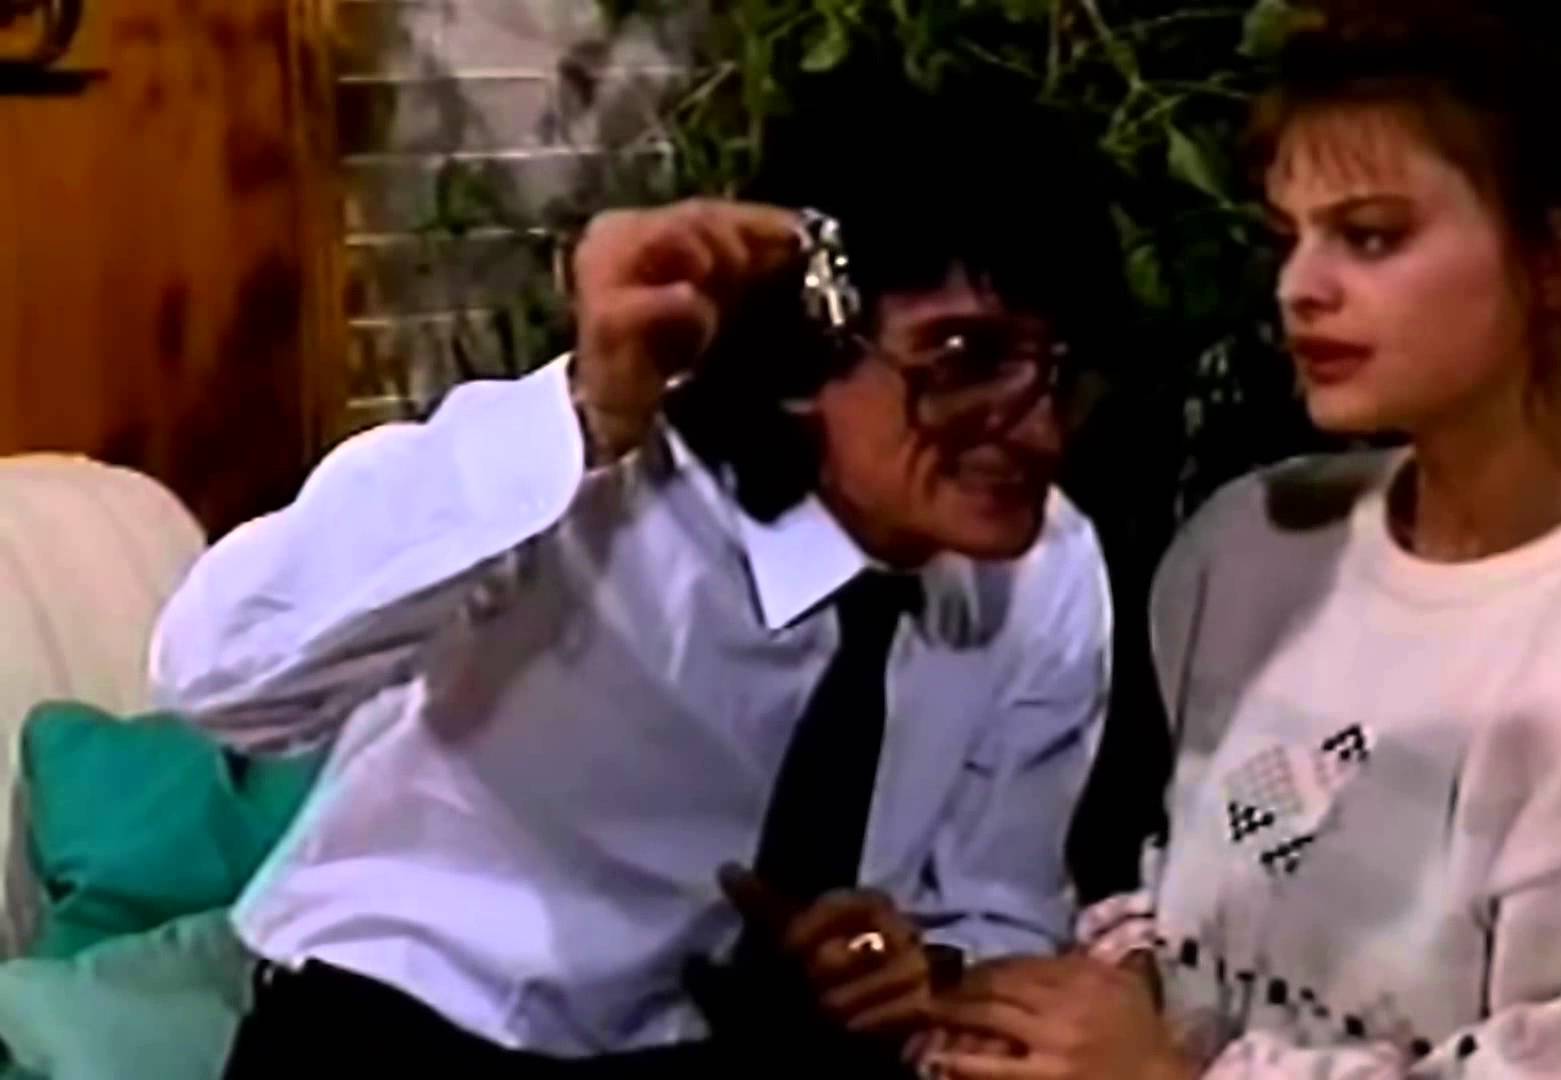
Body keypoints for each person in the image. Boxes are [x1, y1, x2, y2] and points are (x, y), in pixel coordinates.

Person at [917, 4, 1561, 1078]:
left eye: (1370, 236)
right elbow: (1214, 902)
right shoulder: (1252, 549)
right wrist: (1089, 1005)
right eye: (1289, 239)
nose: (1301, 288)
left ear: (1559, 260)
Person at [151, 84, 1119, 1075]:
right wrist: (582, 412)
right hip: (408, 1027)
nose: (1038, 430)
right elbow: (219, 679)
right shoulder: (580, 489)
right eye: (966, 361)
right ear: (806, 355)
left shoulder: (1046, 574)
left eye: (1062, 369)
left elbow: (998, 913)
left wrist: (914, 968)